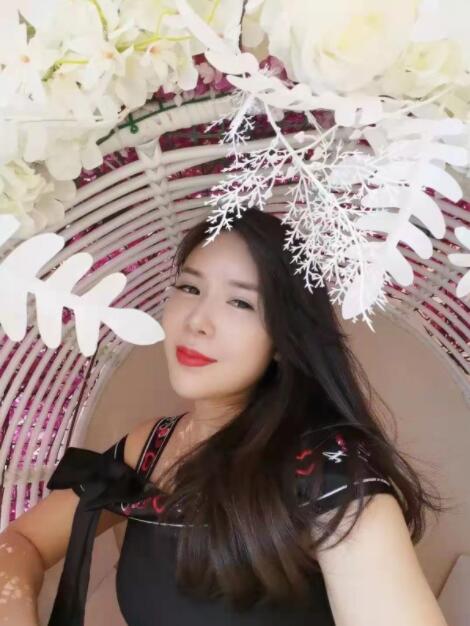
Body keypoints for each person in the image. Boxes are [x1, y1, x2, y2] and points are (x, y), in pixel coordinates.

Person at [0, 208, 450, 626]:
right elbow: (20, 544)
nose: (197, 320)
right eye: (190, 288)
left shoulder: (329, 469)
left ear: (284, 338)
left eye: (241, 303)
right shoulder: (151, 445)